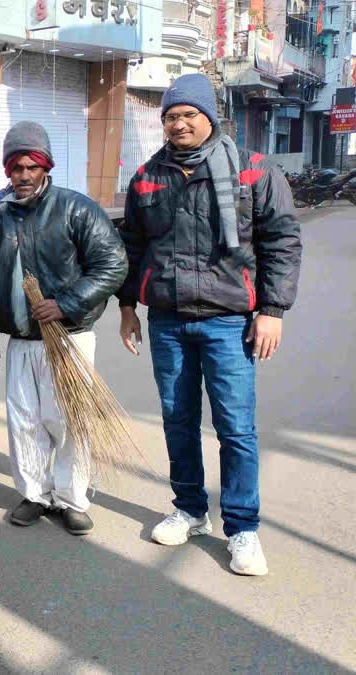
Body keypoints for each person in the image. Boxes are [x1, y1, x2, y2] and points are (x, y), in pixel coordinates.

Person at [117, 73, 301, 576]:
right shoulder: (147, 177)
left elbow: (282, 242)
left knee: (235, 427)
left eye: (188, 115)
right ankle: (190, 509)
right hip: (169, 320)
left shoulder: (255, 171)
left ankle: (242, 529)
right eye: (170, 116)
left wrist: (272, 310)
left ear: (209, 117)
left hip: (229, 321)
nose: (178, 124)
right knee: (177, 422)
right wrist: (128, 305)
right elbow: (132, 246)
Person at [0, 122, 127, 535]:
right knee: (24, 420)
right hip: (22, 340)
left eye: (32, 166)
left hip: (70, 336)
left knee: (67, 420)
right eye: (15, 167)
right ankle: (34, 494)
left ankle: (72, 498)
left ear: (47, 166)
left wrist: (65, 303)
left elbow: (113, 263)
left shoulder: (76, 209)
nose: (23, 175)